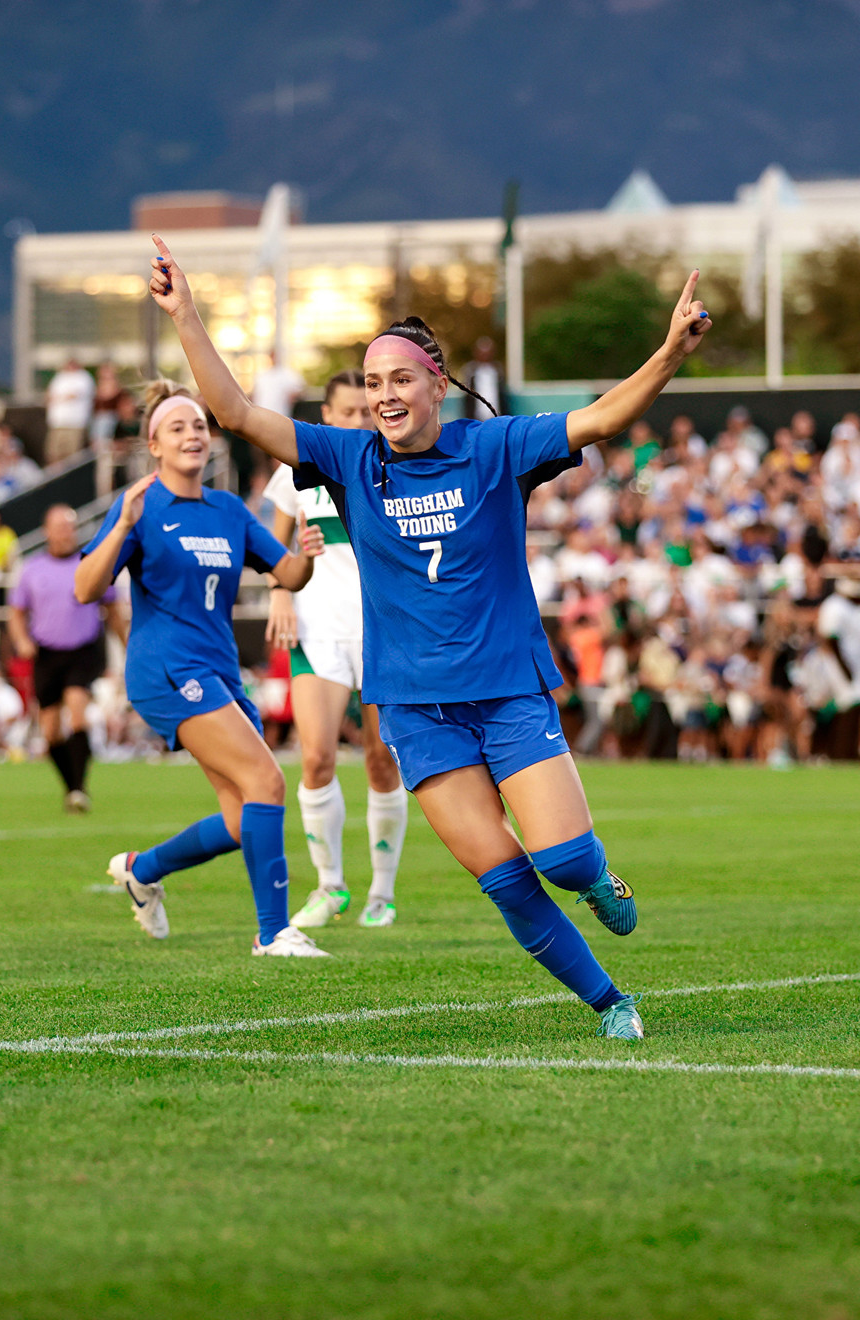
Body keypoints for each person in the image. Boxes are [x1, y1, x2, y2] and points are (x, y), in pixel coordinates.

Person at [147, 232, 712, 1039]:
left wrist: (667, 356)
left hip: (508, 690)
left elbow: (602, 417)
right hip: (414, 710)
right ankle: (610, 1002)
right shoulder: (346, 459)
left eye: (399, 378)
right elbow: (235, 413)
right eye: (373, 382)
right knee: (508, 880)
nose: (383, 394)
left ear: (437, 384)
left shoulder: (495, 446)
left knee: (560, 861)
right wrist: (187, 314)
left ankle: (599, 881)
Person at [74, 381, 330, 957]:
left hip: (219, 669)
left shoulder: (228, 510)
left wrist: (307, 559)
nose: (192, 434)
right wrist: (120, 527)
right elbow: (85, 588)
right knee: (267, 780)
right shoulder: (140, 505)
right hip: (165, 669)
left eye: (198, 425)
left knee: (244, 819)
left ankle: (143, 870)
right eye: (177, 428)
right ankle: (274, 933)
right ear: (154, 446)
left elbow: (285, 575)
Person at [264, 368, 410, 929]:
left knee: (381, 760)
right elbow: (273, 551)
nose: (357, 420)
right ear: (325, 415)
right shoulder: (296, 471)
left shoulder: (388, 462)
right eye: (346, 412)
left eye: (364, 410)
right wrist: (279, 591)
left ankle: (383, 891)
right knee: (317, 757)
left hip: (382, 631)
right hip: (318, 628)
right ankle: (330, 887)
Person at [8, 505, 122, 812]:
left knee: (77, 711)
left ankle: (79, 786)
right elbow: (17, 612)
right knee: (50, 731)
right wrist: (21, 640)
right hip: (46, 652)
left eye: (68, 526)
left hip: (82, 650)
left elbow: (112, 608)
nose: (63, 532)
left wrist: (127, 642)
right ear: (47, 531)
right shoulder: (33, 568)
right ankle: (71, 786)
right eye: (58, 526)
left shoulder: (89, 562)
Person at [45, 358, 96, 465]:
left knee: (72, 457)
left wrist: (59, 398)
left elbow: (73, 395)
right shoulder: (60, 377)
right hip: (57, 423)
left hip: (74, 423)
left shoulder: (83, 378)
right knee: (54, 454)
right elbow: (50, 394)